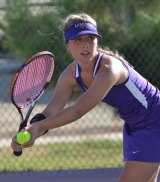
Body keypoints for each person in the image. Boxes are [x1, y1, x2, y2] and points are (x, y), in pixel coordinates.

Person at [11, 13, 160, 182]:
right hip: (135, 126)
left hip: (155, 121)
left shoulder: (109, 69)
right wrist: (33, 131)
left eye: (91, 38)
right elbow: (51, 111)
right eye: (78, 40)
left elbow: (78, 110)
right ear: (68, 45)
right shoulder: (70, 75)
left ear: (97, 41)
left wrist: (38, 128)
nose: (86, 45)